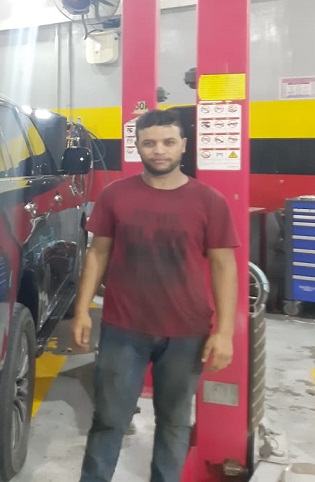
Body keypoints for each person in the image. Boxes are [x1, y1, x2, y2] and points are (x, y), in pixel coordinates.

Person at [72, 108, 239, 482]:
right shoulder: (115, 195)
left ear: (183, 145)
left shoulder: (209, 201)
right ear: (137, 147)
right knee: (109, 419)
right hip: (122, 328)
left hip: (186, 332)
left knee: (175, 422)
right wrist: (82, 310)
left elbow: (224, 267)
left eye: (168, 142)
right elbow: (97, 253)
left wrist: (225, 332)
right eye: (149, 143)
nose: (158, 150)